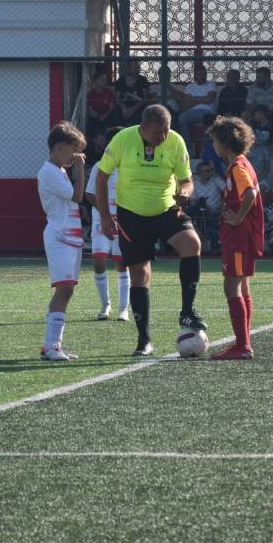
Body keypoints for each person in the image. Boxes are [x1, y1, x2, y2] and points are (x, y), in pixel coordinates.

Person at [95, 105, 206, 358]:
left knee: (192, 243)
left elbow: (187, 180)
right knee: (140, 274)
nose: (163, 137)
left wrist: (185, 192)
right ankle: (144, 340)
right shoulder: (123, 139)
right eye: (158, 132)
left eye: (166, 130)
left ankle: (187, 312)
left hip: (166, 209)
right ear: (143, 128)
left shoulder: (175, 141)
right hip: (131, 215)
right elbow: (101, 177)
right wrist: (104, 216)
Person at [207, 115, 264, 360]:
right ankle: (244, 342)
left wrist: (238, 218)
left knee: (231, 285)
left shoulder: (238, 167)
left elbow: (250, 193)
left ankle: (242, 346)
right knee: (242, 285)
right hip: (240, 236)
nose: (213, 145)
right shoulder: (240, 164)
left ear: (225, 142)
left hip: (239, 237)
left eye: (214, 141)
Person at [36, 121, 87, 361]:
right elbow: (77, 196)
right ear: (58, 147)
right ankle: (52, 346)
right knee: (64, 288)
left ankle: (52, 345)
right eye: (72, 149)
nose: (74, 155)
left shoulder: (59, 171)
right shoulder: (49, 171)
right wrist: (81, 169)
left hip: (70, 236)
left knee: (67, 290)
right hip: (60, 236)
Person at [85, 129, 130, 322]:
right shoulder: (100, 166)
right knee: (99, 262)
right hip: (101, 221)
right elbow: (89, 194)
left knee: (122, 263)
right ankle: (105, 305)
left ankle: (123, 309)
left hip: (124, 222)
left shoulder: (130, 166)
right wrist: (105, 214)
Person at [172, 64, 217, 138]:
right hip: (191, 112)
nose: (202, 77)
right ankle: (188, 143)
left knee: (209, 119)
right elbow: (186, 103)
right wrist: (203, 99)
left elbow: (210, 99)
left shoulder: (211, 84)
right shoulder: (189, 87)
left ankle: (205, 145)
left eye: (204, 74)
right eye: (200, 74)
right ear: (195, 75)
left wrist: (193, 99)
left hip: (207, 111)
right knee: (181, 118)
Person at [188, 160, 224, 249]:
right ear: (200, 173)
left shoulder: (216, 180)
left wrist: (222, 206)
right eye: (207, 171)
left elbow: (228, 191)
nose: (210, 173)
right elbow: (192, 201)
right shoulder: (195, 184)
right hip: (202, 211)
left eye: (211, 170)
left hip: (216, 210)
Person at [114, 60, 153, 125]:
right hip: (123, 107)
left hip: (138, 106)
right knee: (116, 116)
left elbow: (145, 98)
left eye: (138, 67)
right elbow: (117, 98)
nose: (137, 69)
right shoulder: (121, 80)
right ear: (129, 68)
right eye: (135, 67)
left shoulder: (142, 80)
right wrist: (123, 107)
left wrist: (133, 109)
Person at [86, 68, 118, 137]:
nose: (105, 82)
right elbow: (90, 109)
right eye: (102, 80)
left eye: (105, 80)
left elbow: (111, 107)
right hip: (96, 118)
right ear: (96, 81)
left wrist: (104, 116)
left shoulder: (109, 92)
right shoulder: (91, 94)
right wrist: (95, 115)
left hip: (107, 117)